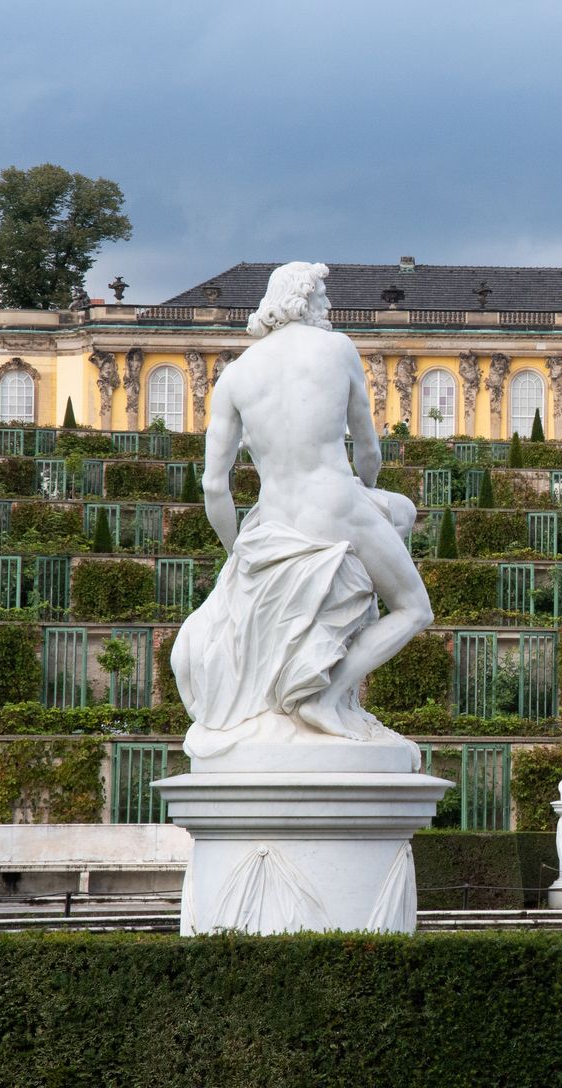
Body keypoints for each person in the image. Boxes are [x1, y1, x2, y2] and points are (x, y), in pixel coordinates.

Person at [172, 260, 431, 756]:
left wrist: (238, 553)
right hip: (333, 501)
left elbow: (213, 486)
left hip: (270, 519)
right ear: (305, 298)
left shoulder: (235, 375)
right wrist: (366, 492)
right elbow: (369, 448)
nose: (329, 305)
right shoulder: (336, 348)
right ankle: (327, 698)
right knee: (414, 609)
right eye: (323, 296)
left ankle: (319, 689)